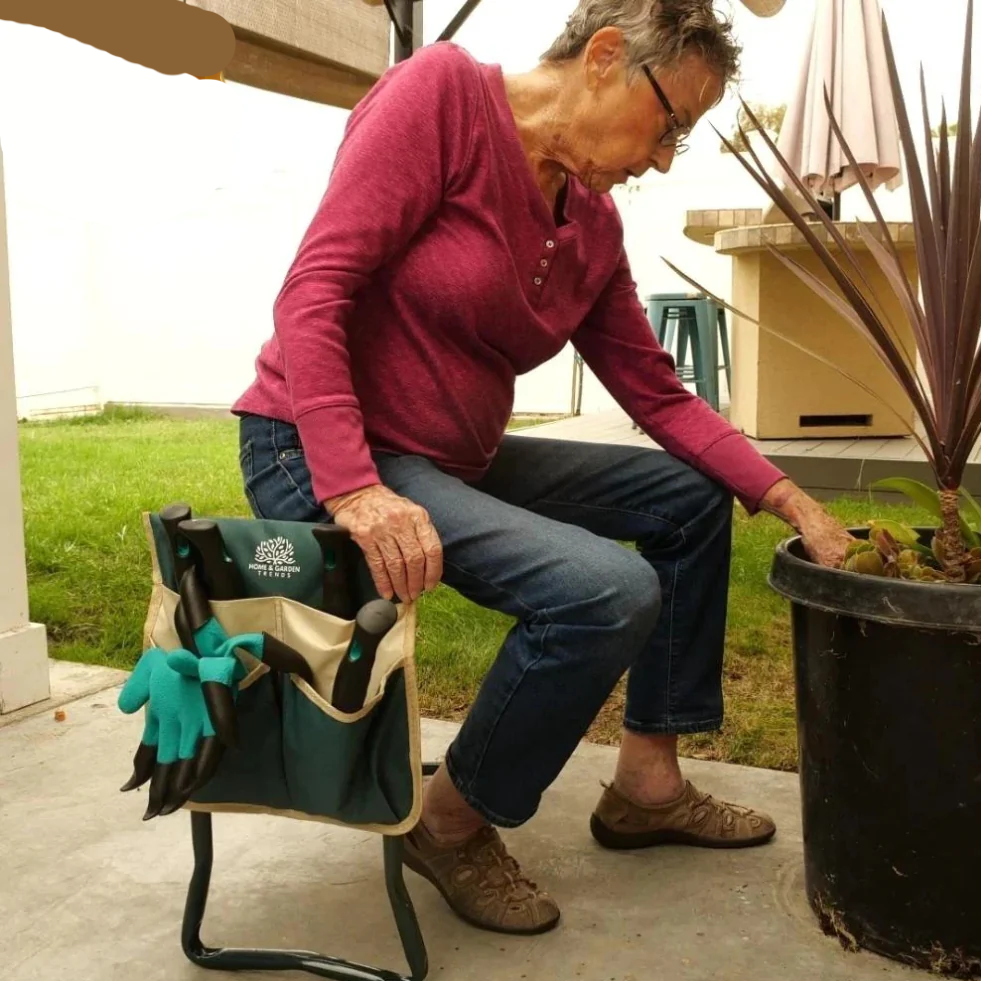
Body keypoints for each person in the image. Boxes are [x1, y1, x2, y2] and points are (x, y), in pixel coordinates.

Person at [231, 0, 853, 937]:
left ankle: (646, 783)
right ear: (604, 56)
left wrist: (787, 493)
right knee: (604, 589)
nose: (661, 159)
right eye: (670, 124)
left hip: (449, 458)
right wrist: (354, 485)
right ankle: (449, 821)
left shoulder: (591, 225)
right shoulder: (439, 96)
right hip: (317, 445)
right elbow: (316, 287)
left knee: (688, 498)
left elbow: (657, 393)